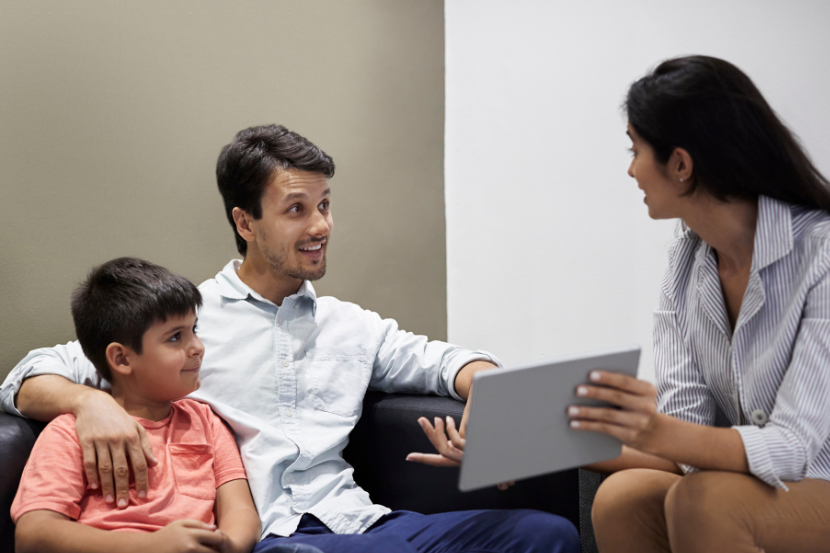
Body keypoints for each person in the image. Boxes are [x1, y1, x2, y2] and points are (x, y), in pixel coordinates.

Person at [1, 125, 580, 553]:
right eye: (298, 209)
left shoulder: (352, 325)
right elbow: (26, 376)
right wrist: (89, 401)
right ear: (245, 222)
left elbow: (441, 361)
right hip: (274, 538)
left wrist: (483, 389)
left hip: (361, 523)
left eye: (325, 205)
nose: (322, 226)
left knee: (544, 534)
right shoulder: (184, 329)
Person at [565, 56, 830, 552]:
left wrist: (655, 429)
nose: (630, 169)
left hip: (819, 480)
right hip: (752, 487)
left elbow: (793, 449)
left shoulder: (822, 256)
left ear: (681, 165)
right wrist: (537, 446)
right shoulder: (687, 262)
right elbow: (683, 438)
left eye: (635, 148)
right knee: (623, 497)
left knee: (707, 500)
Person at [12, 257, 260, 553]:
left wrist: (227, 545)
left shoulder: (206, 422)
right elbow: (33, 534)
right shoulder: (70, 432)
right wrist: (151, 546)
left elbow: (241, 511)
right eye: (175, 337)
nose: (197, 347)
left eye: (195, 330)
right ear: (122, 359)